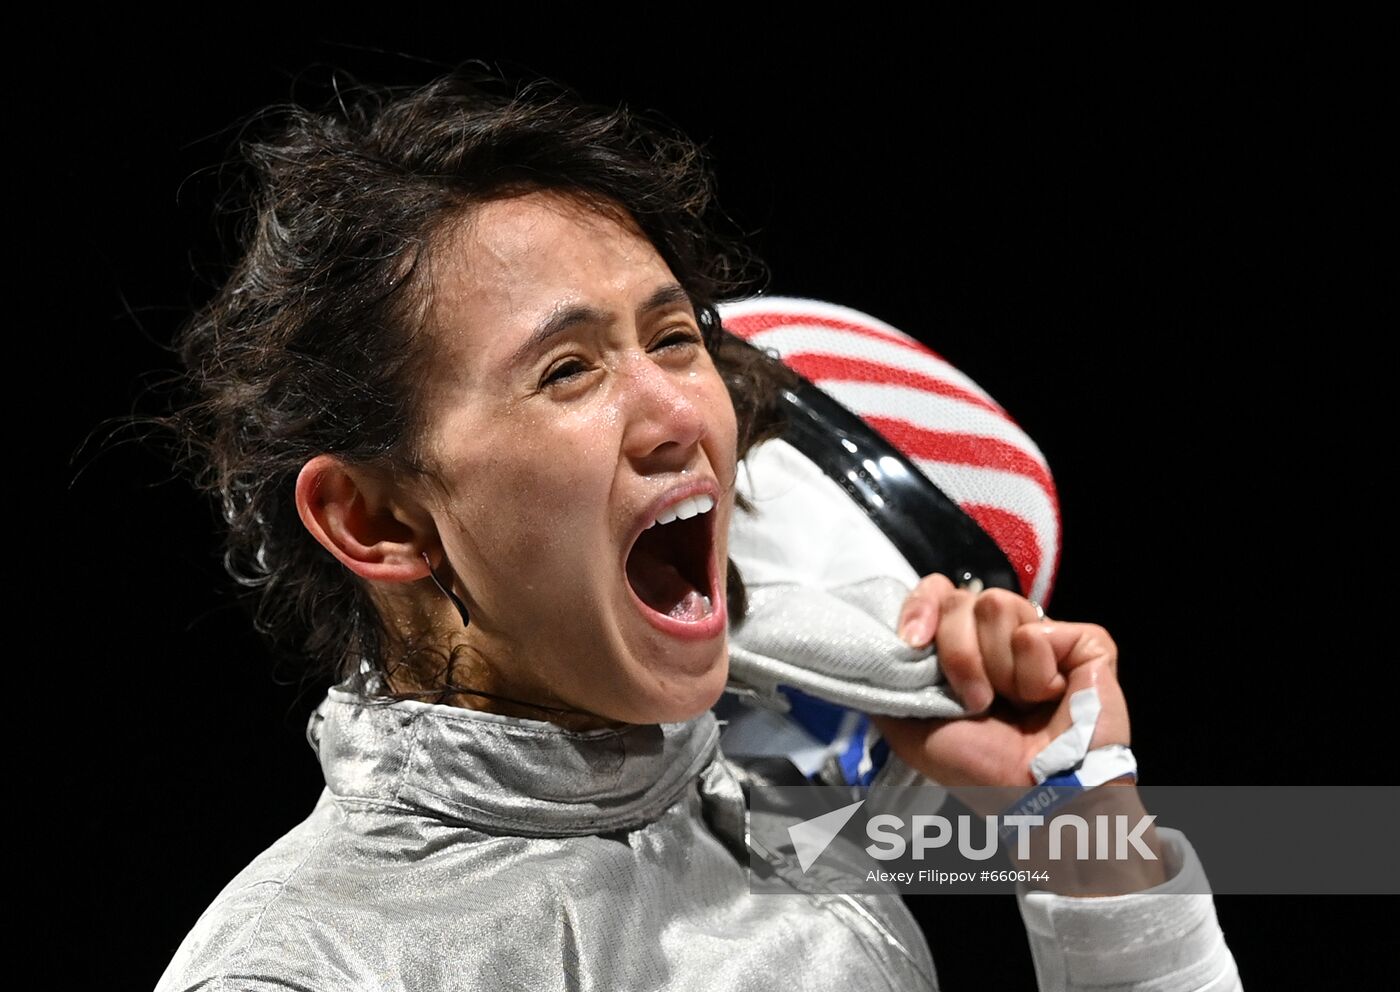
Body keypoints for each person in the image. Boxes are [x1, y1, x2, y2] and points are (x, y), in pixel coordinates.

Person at [152, 70, 1242, 991]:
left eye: (673, 338)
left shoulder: (782, 804)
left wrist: (1074, 813)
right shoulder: (300, 967)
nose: (683, 413)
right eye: (568, 369)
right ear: (375, 517)